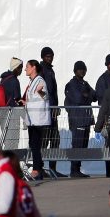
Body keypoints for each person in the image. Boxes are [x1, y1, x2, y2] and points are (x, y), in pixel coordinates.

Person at [64, 61, 96, 178]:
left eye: (84, 69)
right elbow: (78, 98)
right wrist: (86, 95)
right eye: (80, 69)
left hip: (86, 119)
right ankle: (74, 170)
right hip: (77, 119)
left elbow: (94, 96)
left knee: (83, 145)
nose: (82, 71)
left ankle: (78, 169)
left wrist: (86, 94)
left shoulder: (85, 83)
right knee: (77, 145)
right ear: (75, 71)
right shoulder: (71, 84)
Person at [23, 60, 51, 180]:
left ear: (33, 68)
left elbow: (44, 96)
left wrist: (39, 92)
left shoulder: (40, 81)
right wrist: (25, 102)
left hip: (38, 119)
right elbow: (34, 99)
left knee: (35, 143)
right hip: (32, 118)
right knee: (33, 144)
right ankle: (37, 168)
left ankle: (36, 169)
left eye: (27, 67)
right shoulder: (32, 82)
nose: (25, 69)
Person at [95, 54, 110, 177]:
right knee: (109, 144)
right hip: (108, 117)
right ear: (107, 65)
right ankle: (109, 171)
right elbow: (101, 98)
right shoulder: (102, 79)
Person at [39, 47, 62, 177]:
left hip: (52, 110)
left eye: (51, 56)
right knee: (44, 140)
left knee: (55, 140)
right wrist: (46, 102)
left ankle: (52, 168)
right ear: (43, 57)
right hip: (45, 111)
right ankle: (41, 168)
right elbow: (39, 89)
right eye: (47, 56)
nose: (50, 58)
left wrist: (55, 106)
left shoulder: (50, 70)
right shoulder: (41, 70)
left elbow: (54, 91)